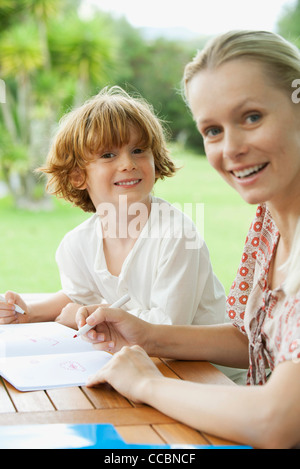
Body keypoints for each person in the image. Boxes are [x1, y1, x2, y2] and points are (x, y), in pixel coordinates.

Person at [75, 31, 300, 449]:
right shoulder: (269, 221)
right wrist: (146, 335)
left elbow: (279, 421)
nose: (231, 148)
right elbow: (255, 339)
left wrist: (146, 384)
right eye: (212, 130)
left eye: (251, 117)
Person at [0, 86, 226, 332]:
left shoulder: (178, 236)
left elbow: (168, 327)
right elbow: (79, 297)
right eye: (108, 155)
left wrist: (89, 315)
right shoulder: (77, 244)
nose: (128, 164)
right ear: (77, 176)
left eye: (138, 151)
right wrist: (30, 312)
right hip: (147, 360)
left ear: (155, 160)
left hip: (201, 367)